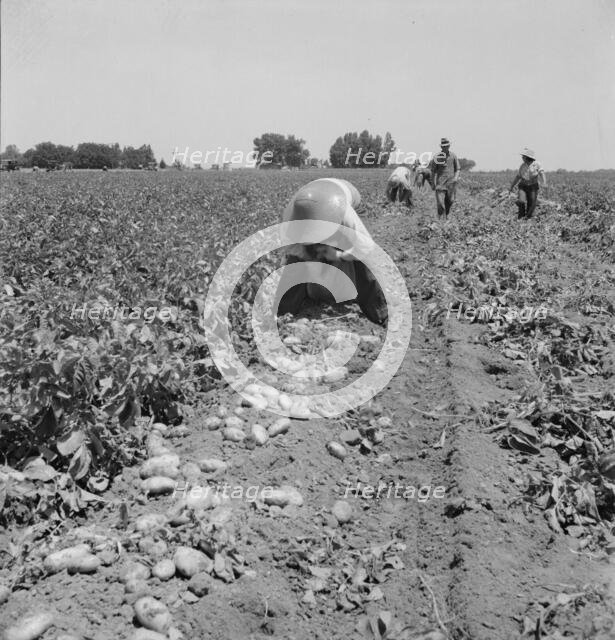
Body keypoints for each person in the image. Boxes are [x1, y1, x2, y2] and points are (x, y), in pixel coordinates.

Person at [275, 178, 388, 326]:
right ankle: (284, 311)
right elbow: (294, 254)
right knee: (296, 264)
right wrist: (311, 255)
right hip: (314, 194)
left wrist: (339, 255)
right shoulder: (290, 221)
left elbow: (365, 249)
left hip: (345, 192)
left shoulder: (345, 214)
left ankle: (379, 312)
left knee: (360, 262)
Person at [509, 148, 547, 219]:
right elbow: (518, 177)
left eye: (523, 156)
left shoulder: (537, 164)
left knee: (532, 203)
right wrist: (512, 186)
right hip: (523, 186)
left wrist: (544, 182)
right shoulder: (522, 166)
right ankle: (520, 216)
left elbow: (542, 173)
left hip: (533, 186)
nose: (522, 158)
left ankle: (527, 218)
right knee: (521, 201)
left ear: (528, 157)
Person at [428, 138, 460, 218]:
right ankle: (440, 219)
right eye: (443, 146)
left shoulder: (453, 156)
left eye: (446, 146)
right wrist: (432, 183)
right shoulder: (437, 157)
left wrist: (456, 177)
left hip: (451, 184)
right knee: (440, 203)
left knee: (450, 201)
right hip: (440, 184)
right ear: (441, 147)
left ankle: (446, 217)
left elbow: (458, 169)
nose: (445, 147)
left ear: (449, 146)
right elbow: (433, 171)